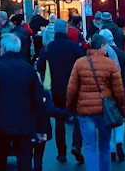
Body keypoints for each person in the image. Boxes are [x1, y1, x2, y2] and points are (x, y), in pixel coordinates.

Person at [0, 34, 46, 171]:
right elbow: (38, 101)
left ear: (3, 48)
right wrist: (41, 128)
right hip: (24, 123)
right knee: (25, 161)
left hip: (1, 124)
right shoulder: (28, 69)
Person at [66, 33, 125, 171]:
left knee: (90, 146)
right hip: (104, 111)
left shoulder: (80, 63)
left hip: (85, 110)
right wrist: (123, 110)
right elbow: (119, 90)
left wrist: (70, 107)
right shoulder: (110, 64)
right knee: (104, 145)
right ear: (101, 46)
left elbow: (72, 89)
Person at [36, 18, 85, 164]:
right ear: (65, 30)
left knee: (59, 120)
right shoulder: (73, 46)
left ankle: (61, 152)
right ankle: (76, 144)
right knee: (77, 117)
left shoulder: (48, 47)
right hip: (73, 86)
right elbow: (83, 62)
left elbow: (40, 67)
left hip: (56, 88)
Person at [99, 29, 125, 163]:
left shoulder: (100, 55)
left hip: (104, 93)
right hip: (120, 89)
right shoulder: (120, 53)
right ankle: (119, 142)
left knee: (107, 120)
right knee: (119, 119)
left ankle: (111, 149)